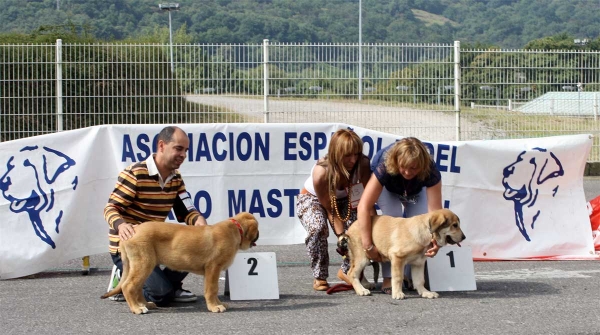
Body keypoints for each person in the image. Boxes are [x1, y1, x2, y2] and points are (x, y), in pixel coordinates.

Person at [103, 126, 208, 304]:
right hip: (131, 247)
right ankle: (125, 281)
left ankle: (167, 285)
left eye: (186, 150)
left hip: (157, 246)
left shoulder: (176, 178)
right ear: (161, 146)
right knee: (162, 296)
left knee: (197, 246)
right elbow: (111, 208)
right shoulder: (135, 173)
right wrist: (122, 225)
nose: (183, 155)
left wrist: (198, 220)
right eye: (178, 148)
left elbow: (186, 211)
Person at [357, 137, 442, 294]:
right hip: (388, 188)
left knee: (422, 226)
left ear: (422, 166)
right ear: (396, 162)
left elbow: (435, 215)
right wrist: (368, 246)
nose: (408, 172)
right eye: (404, 167)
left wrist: (436, 241)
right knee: (392, 219)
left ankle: (411, 277)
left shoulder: (431, 171)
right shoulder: (384, 165)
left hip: (415, 190)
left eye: (414, 168)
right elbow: (364, 206)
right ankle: (389, 278)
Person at [296, 128, 375, 291]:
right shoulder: (322, 172)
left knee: (361, 227)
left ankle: (349, 271)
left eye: (356, 154)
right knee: (317, 228)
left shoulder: (363, 164)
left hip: (345, 198)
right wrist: (342, 237)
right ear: (336, 154)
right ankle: (320, 276)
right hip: (313, 199)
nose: (353, 159)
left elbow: (366, 202)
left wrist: (373, 229)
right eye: (348, 156)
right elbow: (331, 210)